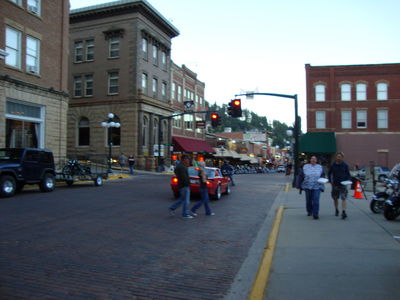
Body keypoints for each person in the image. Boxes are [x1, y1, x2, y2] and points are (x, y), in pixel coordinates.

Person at [301, 155, 325, 219]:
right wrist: (299, 184)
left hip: (317, 186)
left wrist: (323, 182)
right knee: (308, 201)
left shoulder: (320, 167)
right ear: (310, 160)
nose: (313, 160)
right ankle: (309, 211)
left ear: (316, 160)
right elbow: (301, 175)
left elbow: (323, 175)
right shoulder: (305, 166)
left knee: (316, 200)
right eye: (312, 158)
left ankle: (315, 214)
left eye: (315, 159)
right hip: (307, 186)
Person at [328, 152, 351, 219]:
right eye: (338, 156)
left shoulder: (345, 165)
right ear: (336, 157)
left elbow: (348, 174)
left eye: (340, 156)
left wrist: (348, 180)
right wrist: (330, 181)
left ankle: (344, 211)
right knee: (335, 198)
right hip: (335, 184)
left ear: (342, 157)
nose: (339, 158)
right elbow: (329, 173)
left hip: (343, 184)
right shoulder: (333, 165)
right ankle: (336, 209)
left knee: (343, 198)